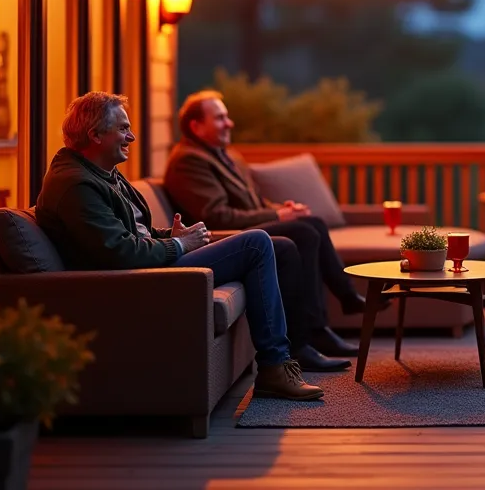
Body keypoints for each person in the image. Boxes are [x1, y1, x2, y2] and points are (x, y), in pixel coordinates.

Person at [34, 91, 334, 401]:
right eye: (123, 129)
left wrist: (170, 235)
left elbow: (135, 233)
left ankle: (285, 358)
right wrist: (178, 244)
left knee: (272, 243)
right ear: (95, 135)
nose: (132, 137)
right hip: (133, 280)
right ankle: (275, 366)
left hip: (147, 265)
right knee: (256, 243)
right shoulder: (76, 185)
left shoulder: (101, 173)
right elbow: (121, 252)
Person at [163, 90, 385, 359]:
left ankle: (336, 310)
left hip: (246, 228)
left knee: (311, 222)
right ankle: (316, 329)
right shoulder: (188, 161)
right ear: (196, 126)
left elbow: (254, 201)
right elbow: (216, 216)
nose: (229, 123)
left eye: (227, 117)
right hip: (227, 237)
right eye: (220, 118)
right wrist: (278, 216)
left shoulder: (226, 155)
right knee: (302, 232)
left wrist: (282, 209)